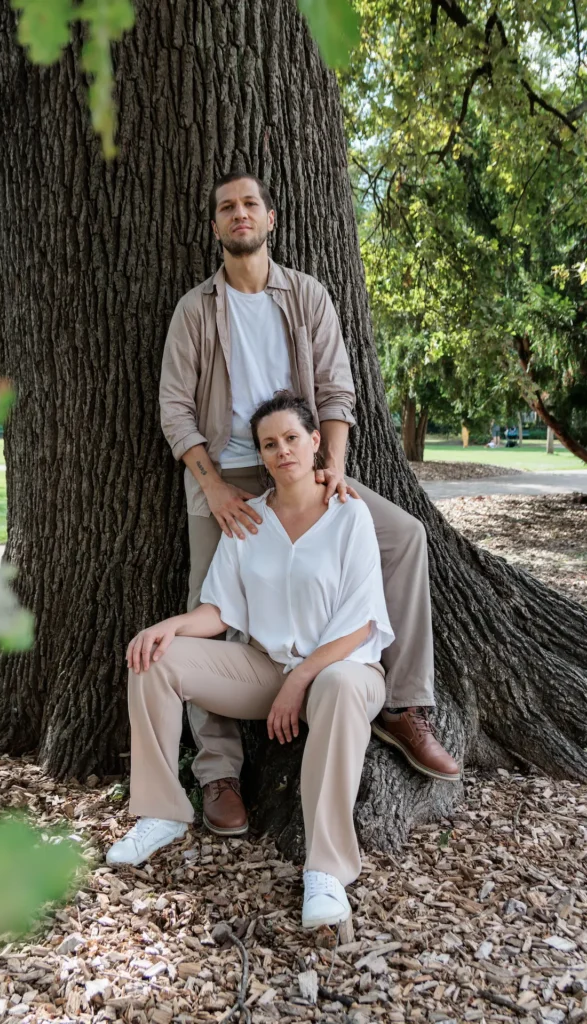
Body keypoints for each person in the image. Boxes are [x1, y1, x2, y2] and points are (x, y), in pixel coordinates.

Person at [159, 171, 459, 838]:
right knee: (208, 609)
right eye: (226, 208)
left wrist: (334, 472)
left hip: (301, 459)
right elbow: (174, 409)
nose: (239, 215)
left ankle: (403, 705)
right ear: (215, 227)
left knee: (403, 536)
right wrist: (209, 484)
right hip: (228, 471)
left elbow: (335, 391)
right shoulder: (194, 310)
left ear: (270, 219)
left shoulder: (307, 296)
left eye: (249, 205)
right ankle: (218, 772)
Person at [107, 393, 399, 929]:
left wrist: (301, 681)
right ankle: (161, 812)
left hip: (346, 671)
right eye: (270, 443)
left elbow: (361, 622)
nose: (282, 450)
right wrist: (170, 626)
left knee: (334, 684)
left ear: (316, 443)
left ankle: (327, 871)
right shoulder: (250, 521)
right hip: (266, 667)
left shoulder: (349, 514)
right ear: (261, 456)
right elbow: (218, 610)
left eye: (292, 438)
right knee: (155, 658)